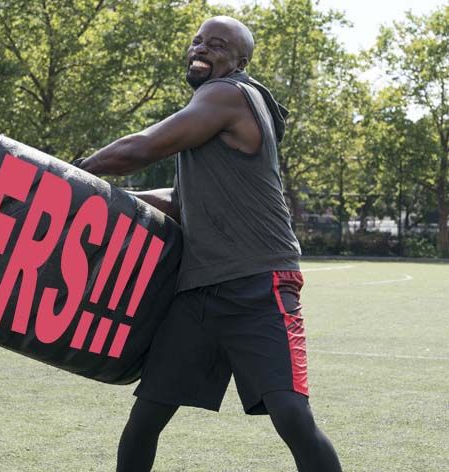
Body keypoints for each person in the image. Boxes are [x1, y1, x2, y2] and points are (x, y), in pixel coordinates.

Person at [73, 15, 343, 472]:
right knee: (147, 416)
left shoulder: (228, 94)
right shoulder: (210, 116)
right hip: (200, 291)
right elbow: (180, 201)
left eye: (217, 45)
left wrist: (76, 173)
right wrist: (109, 197)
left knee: (292, 415)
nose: (201, 49)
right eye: (197, 41)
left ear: (240, 62)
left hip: (258, 282)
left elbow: (143, 147)